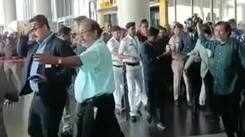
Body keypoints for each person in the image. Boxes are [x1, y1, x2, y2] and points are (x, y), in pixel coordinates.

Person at [34, 17, 124, 137]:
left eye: (83, 33)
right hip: (93, 104)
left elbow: (77, 61)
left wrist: (55, 60)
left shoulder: (98, 49)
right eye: (78, 33)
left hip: (97, 103)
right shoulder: (93, 48)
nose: (80, 37)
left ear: (95, 32)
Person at [18, 15, 75, 137]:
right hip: (37, 96)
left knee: (48, 132)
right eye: (31, 30)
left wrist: (50, 78)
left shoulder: (59, 44)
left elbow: (69, 70)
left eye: (35, 28)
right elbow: (21, 52)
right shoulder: (36, 45)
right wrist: (23, 35)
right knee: (34, 130)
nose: (33, 32)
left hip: (52, 97)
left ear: (44, 27)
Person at [197, 21, 245, 137]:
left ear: (228, 32)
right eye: (216, 30)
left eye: (220, 31)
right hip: (219, 89)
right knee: (224, 115)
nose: (217, 33)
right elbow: (204, 42)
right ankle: (230, 133)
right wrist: (199, 29)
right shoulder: (215, 45)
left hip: (233, 88)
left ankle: (238, 132)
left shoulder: (235, 44)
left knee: (235, 114)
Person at [119, 22, 147, 122]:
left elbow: (139, 51)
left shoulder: (136, 39)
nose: (134, 30)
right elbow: (120, 55)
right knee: (131, 90)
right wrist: (129, 57)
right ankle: (133, 112)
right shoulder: (124, 41)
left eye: (134, 29)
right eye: (132, 29)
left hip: (138, 66)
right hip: (130, 67)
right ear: (127, 30)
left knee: (141, 88)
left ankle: (143, 105)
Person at [141, 27, 166, 130]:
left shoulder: (157, 44)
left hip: (158, 75)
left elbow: (160, 56)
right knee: (151, 97)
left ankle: (156, 118)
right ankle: (153, 117)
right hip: (149, 75)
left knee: (159, 98)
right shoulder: (144, 46)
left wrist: (164, 54)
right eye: (156, 37)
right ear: (151, 36)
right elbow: (148, 60)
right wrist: (161, 56)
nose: (157, 39)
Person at [166, 22, 192, 106]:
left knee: (187, 81)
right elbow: (172, 51)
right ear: (173, 30)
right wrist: (171, 50)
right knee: (177, 80)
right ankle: (176, 98)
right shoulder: (172, 39)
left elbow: (189, 48)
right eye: (176, 29)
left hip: (185, 61)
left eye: (179, 29)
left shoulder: (185, 37)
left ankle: (189, 99)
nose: (178, 30)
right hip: (176, 61)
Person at [107, 26, 125, 114]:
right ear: (112, 33)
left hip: (123, 66)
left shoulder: (122, 41)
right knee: (117, 87)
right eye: (116, 32)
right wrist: (123, 57)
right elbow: (114, 54)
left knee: (123, 86)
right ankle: (118, 106)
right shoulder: (110, 42)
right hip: (115, 67)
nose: (118, 34)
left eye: (119, 32)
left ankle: (120, 103)